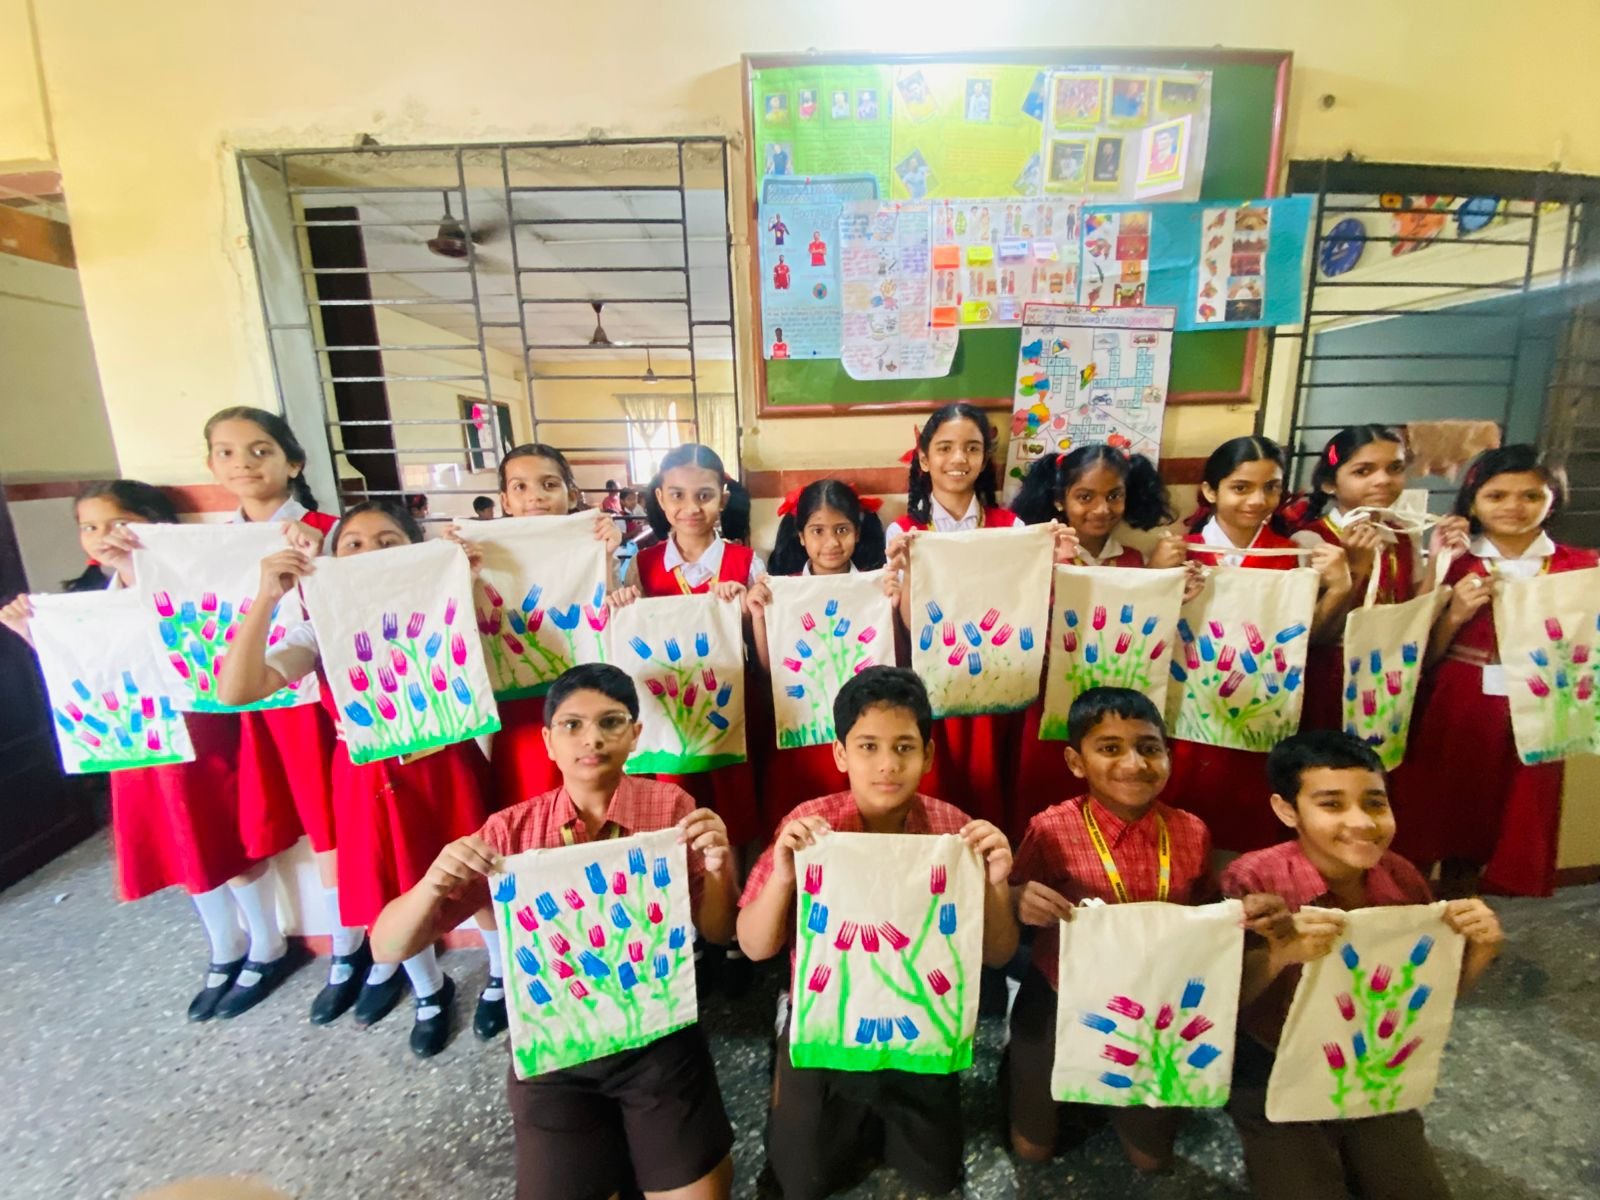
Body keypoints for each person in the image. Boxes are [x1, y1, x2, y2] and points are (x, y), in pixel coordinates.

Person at [371, 663, 739, 1200]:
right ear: (548, 742)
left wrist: (719, 868)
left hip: (656, 1037)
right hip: (554, 1052)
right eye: (572, 725)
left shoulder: (673, 811)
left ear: (636, 734)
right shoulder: (510, 832)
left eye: (611, 722)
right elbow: (387, 945)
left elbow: (718, 930)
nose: (592, 738)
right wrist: (431, 884)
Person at [1, 482, 300, 1022]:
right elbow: (80, 667)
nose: (103, 537)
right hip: (136, 741)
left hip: (199, 732)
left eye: (117, 524)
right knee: (179, 843)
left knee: (226, 837)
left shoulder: (193, 583)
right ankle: (224, 945)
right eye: (89, 527)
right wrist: (31, 632)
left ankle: (267, 943)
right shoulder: (86, 596)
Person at [215, 500, 497, 1057]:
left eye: (388, 543)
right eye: (354, 544)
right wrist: (268, 597)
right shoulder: (318, 626)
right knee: (394, 888)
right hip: (369, 779)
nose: (370, 553)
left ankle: (502, 977)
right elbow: (237, 690)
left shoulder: (444, 603)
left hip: (448, 768)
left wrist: (466, 578)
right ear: (332, 558)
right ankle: (429, 991)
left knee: (479, 875)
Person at [738, 667, 1018, 1200]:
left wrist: (997, 884)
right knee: (800, 1182)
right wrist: (783, 877)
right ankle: (788, 1031)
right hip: (828, 1023)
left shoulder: (954, 832)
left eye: (904, 747)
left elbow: (1000, 953)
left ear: (928, 756)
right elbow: (754, 945)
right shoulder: (810, 827)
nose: (887, 764)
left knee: (936, 1174)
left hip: (921, 1021)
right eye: (868, 746)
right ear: (840, 754)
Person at [1006, 687, 1285, 1171]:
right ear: (1076, 762)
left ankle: (1114, 1102)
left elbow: (1202, 914)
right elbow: (1013, 899)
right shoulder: (1051, 829)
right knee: (1033, 1151)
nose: (1134, 763)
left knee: (1152, 1160)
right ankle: (1020, 1074)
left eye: (1149, 747)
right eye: (1110, 748)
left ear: (1168, 757)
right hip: (1061, 994)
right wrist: (1018, 900)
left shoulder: (1191, 832)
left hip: (1158, 1000)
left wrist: (1243, 913)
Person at [1222, 730, 1504, 1200]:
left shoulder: (1402, 879)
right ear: (1287, 810)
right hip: (1270, 1060)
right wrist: (1279, 954)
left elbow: (1429, 997)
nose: (1362, 822)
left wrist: (1481, 950)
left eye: (1375, 803)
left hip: (1371, 1056)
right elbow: (1223, 1000)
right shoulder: (1252, 879)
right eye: (1331, 804)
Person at [202, 406, 349, 1024]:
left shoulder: (333, 532)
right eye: (227, 452)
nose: (243, 463)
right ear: (211, 465)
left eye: (260, 450)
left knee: (331, 825)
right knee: (250, 822)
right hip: (244, 700)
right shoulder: (206, 548)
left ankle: (350, 950)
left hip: (321, 698)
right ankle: (257, 944)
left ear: (293, 462)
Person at [1404, 445, 1597, 896]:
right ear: (1472, 502)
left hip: (1541, 707)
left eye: (1531, 496)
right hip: (1458, 701)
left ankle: (1465, 904)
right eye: (1497, 496)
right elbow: (1418, 657)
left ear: (1553, 500)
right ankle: (1411, 911)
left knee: (1505, 817)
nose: (1514, 506)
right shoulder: (1452, 561)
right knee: (1438, 812)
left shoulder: (1581, 567)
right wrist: (1456, 612)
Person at [884, 403, 1072, 827]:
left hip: (999, 681)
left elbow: (1026, 604)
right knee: (940, 797)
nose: (958, 459)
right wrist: (910, 568)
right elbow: (913, 625)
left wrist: (1055, 561)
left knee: (994, 796)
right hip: (936, 682)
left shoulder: (1012, 526)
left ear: (985, 459)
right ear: (924, 458)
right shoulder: (906, 531)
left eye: (971, 448)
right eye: (945, 448)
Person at [1167, 437, 1352, 853]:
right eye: (1241, 487)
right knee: (1184, 812)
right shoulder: (1180, 551)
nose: (1257, 500)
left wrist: (1340, 589)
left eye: (1270, 487)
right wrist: (1161, 581)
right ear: (1210, 491)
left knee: (1250, 811)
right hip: (1190, 707)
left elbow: (1306, 640)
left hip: (1260, 704)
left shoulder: (1290, 555)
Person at [1008, 445, 1186, 834]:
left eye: (1114, 496)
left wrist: (1164, 584)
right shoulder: (1039, 555)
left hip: (1118, 703)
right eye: (1085, 497)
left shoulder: (1134, 559)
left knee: (1113, 791)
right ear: (1060, 500)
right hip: (1050, 699)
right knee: (1046, 791)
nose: (1102, 509)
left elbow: (1145, 630)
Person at [609, 443, 763, 849]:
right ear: (661, 498)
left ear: (723, 499)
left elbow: (763, 643)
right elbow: (627, 637)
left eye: (704, 495)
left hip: (730, 706)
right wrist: (623, 603)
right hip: (665, 712)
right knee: (669, 815)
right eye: (677, 495)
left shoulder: (746, 563)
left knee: (730, 812)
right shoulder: (642, 565)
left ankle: (730, 880)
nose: (691, 508)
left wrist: (746, 611)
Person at [746, 479, 895, 833]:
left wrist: (895, 601)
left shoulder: (878, 585)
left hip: (862, 726)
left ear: (857, 532)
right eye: (818, 531)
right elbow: (769, 668)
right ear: (800, 536)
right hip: (804, 729)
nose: (831, 543)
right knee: (803, 821)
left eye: (842, 530)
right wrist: (758, 615)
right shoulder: (782, 590)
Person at [488, 445, 621, 813]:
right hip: (519, 708)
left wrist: (607, 556)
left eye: (549, 484)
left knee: (591, 799)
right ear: (505, 500)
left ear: (571, 494)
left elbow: (615, 616)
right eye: (520, 487)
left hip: (585, 698)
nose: (536, 497)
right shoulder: (484, 554)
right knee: (528, 802)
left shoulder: (595, 545)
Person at [1290, 425, 1442, 732]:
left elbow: (1414, 608)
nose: (1383, 480)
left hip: (1390, 671)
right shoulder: (1310, 540)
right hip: (1332, 676)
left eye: (1394, 468)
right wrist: (1356, 566)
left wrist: (1439, 555)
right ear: (1330, 483)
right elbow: (1312, 634)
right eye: (1363, 471)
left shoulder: (1403, 534)